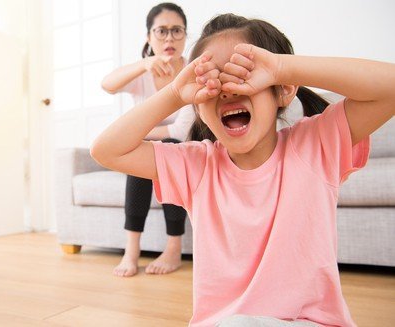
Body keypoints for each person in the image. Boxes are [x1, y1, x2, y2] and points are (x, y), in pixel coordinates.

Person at [91, 12, 395, 327]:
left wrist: (281, 67)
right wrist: (174, 95)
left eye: (243, 74)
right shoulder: (197, 166)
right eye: (213, 80)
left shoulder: (315, 145)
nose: (227, 89)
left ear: (284, 90)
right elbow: (106, 150)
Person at [101, 3, 195, 278]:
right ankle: (132, 250)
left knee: (164, 148)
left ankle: (174, 247)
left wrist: (139, 133)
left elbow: (180, 131)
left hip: (182, 149)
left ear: (186, 35)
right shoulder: (142, 74)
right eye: (161, 31)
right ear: (149, 37)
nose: (169, 39)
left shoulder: (191, 72)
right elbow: (108, 84)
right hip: (148, 152)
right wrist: (144, 64)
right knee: (145, 151)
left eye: (176, 31)